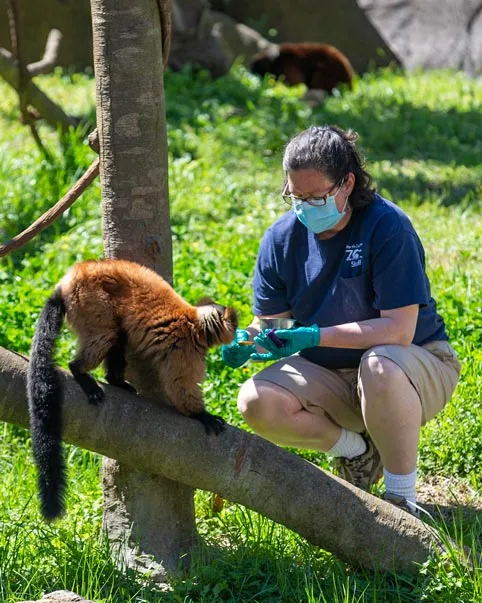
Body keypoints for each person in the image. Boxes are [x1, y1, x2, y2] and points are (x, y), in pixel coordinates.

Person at [222, 125, 461, 518]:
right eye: (295, 196)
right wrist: (248, 340)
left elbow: (399, 331)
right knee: (255, 402)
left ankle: (403, 503)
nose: (304, 207)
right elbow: (273, 324)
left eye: (316, 197)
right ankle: (357, 452)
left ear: (347, 183)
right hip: (329, 373)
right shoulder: (281, 239)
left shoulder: (386, 226)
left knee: (379, 364)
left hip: (412, 366)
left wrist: (315, 334)